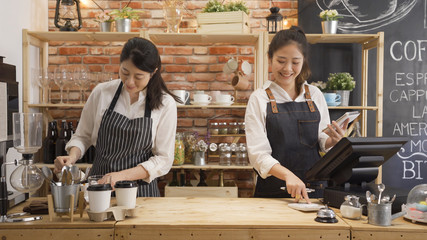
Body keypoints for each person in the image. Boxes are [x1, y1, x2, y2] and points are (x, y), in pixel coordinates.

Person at [54, 37, 180, 197]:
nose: (130, 82)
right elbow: (82, 136)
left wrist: (121, 176)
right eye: (124, 72)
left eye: (139, 76)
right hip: (99, 190)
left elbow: (163, 159)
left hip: (140, 193)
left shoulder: (165, 104)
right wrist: (72, 157)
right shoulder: (101, 92)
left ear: (153, 72)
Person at [245, 26, 349, 203]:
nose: (287, 68)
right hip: (273, 195)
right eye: (281, 60)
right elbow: (258, 155)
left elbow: (322, 142)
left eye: (295, 62)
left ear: (303, 61)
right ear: (270, 59)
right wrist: (288, 175)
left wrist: (334, 140)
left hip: (315, 194)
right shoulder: (259, 98)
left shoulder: (315, 94)